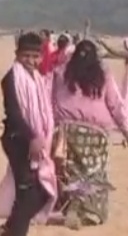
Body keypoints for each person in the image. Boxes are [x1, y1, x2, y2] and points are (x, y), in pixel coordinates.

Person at [49, 40, 128, 228]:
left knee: (69, 172)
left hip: (67, 132)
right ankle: (89, 210)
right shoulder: (104, 75)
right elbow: (116, 106)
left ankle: (69, 207)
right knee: (94, 173)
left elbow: (51, 101)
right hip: (96, 136)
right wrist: (126, 130)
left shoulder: (61, 73)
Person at [0, 32, 58, 236]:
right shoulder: (11, 78)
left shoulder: (37, 78)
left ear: (41, 57)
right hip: (17, 140)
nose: (31, 61)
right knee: (28, 192)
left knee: (41, 192)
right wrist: (33, 137)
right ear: (17, 54)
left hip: (36, 142)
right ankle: (14, 231)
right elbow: (14, 113)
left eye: (35, 56)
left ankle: (8, 229)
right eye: (26, 56)